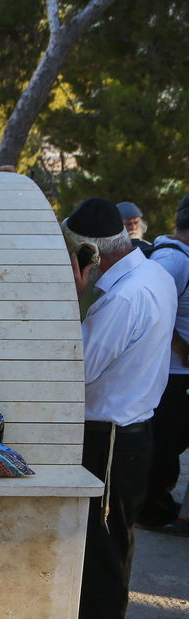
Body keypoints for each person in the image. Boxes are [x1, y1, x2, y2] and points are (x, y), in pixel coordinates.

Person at [63, 197, 177, 619]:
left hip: (109, 438)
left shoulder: (122, 300)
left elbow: (79, 370)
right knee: (109, 550)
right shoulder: (154, 275)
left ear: (91, 252)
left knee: (103, 556)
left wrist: (75, 298)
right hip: (130, 432)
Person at [140, 193, 189, 534]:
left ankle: (155, 506)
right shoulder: (173, 259)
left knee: (170, 442)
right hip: (174, 372)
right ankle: (152, 511)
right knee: (166, 444)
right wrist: (181, 346)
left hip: (179, 372)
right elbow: (153, 305)